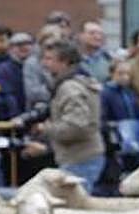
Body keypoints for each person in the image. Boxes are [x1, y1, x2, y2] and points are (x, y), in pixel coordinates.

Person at [28, 39, 104, 189]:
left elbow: (77, 126)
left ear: (65, 62)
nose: (44, 63)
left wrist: (46, 129)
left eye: (49, 59)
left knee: (74, 208)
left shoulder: (70, 89)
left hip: (80, 159)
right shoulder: (77, 83)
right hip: (80, 156)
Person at [0, 31, 32, 115]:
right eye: (18, 45)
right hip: (13, 116)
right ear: (11, 48)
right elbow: (4, 94)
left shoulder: (41, 66)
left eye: (27, 44)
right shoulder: (3, 69)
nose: (23, 47)